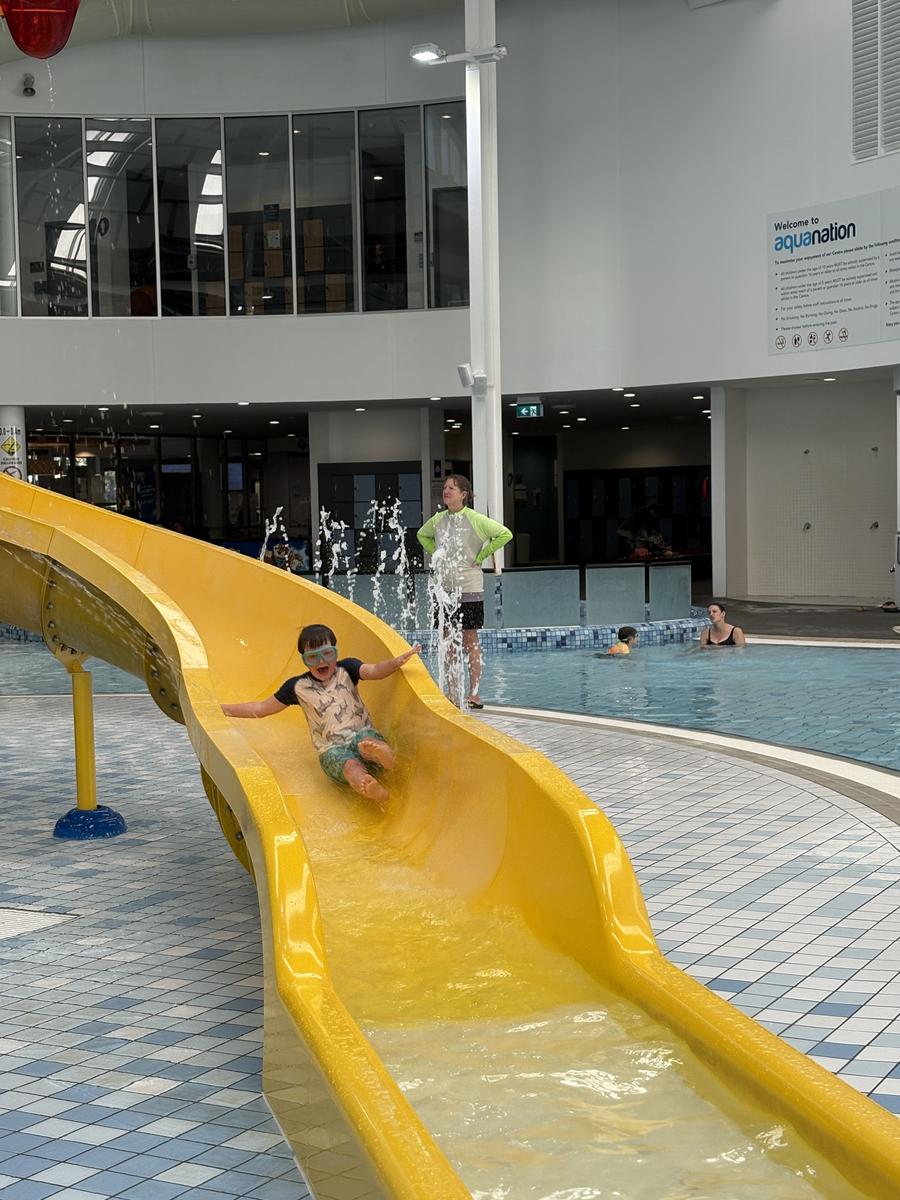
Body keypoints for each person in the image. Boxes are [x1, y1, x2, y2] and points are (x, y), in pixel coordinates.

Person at [222, 623, 421, 808]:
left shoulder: (348, 668)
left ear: (335, 651)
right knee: (350, 767)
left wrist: (395, 663)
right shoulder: (297, 687)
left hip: (361, 734)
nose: (321, 661)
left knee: (368, 743)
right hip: (332, 749)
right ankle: (371, 788)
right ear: (304, 659)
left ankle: (385, 758)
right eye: (312, 657)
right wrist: (224, 709)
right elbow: (261, 708)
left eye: (327, 653)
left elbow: (375, 670)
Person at [417, 475, 512, 710]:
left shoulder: (476, 519)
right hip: (445, 589)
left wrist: (481, 556)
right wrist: (437, 553)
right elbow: (421, 535)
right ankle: (451, 693)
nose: (446, 491)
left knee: (470, 639)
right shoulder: (438, 520)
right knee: (448, 641)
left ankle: (474, 694)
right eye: (445, 487)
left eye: (452, 488)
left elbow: (505, 534)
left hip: (469, 587)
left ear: (464, 494)